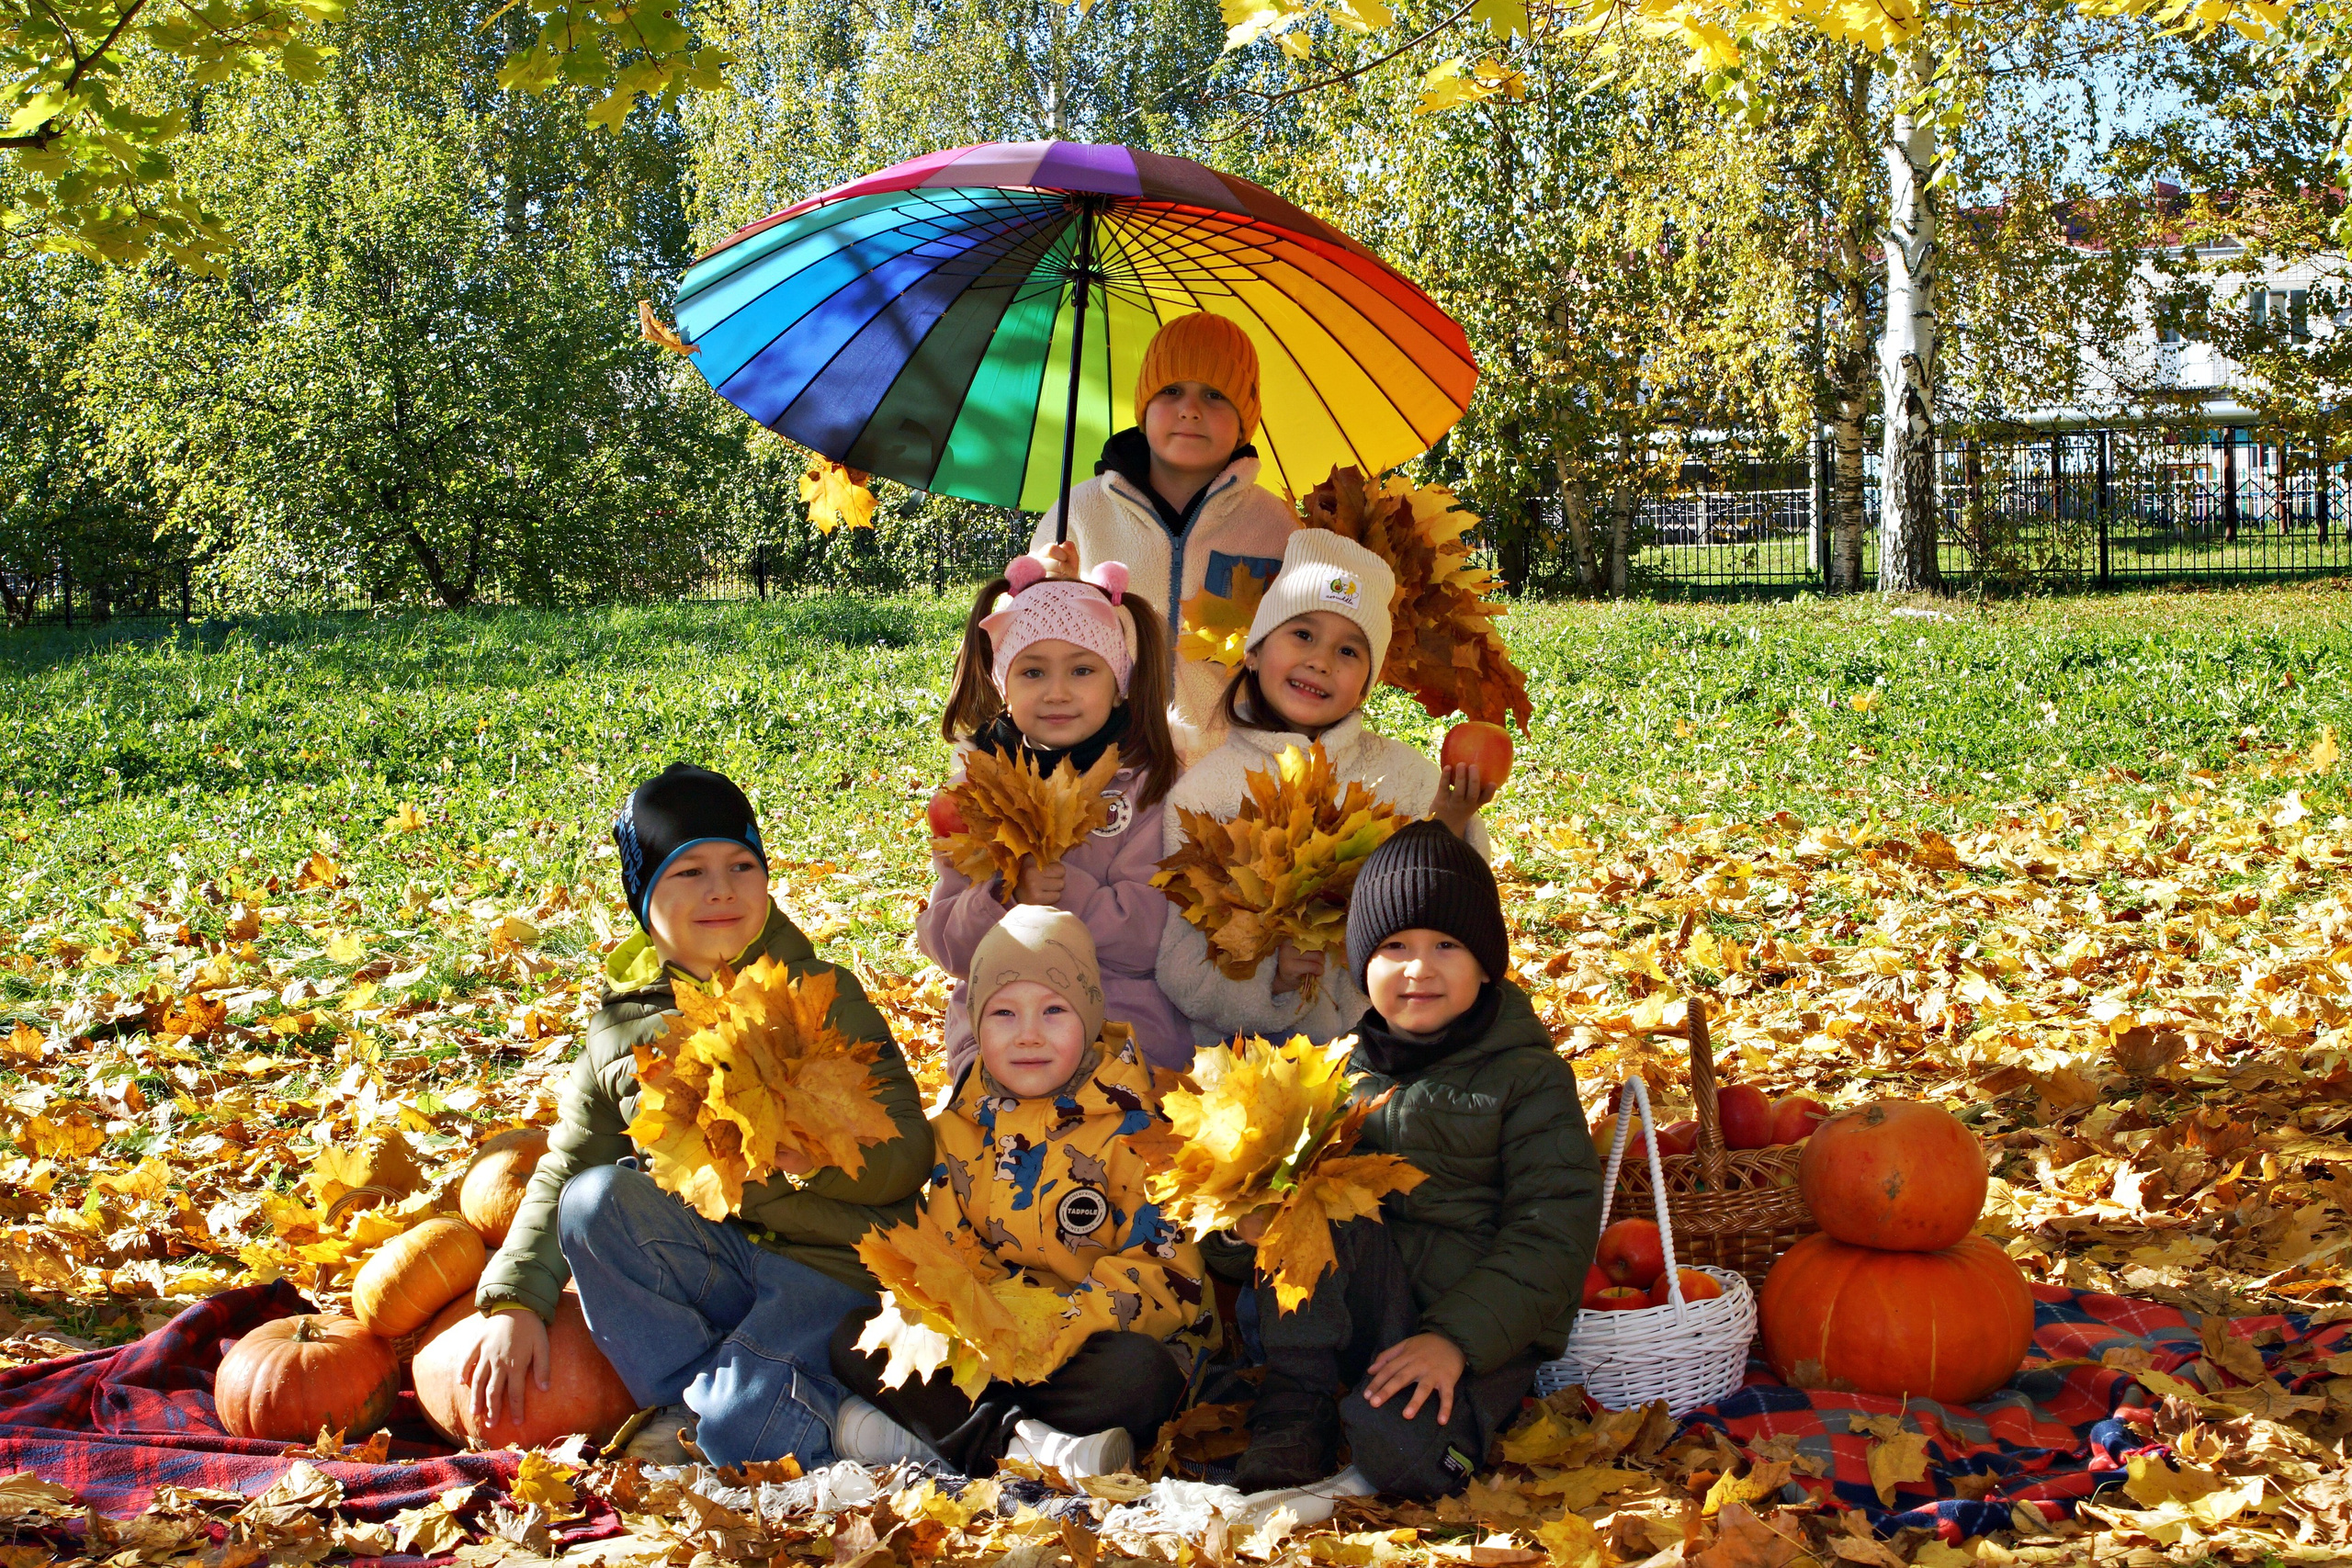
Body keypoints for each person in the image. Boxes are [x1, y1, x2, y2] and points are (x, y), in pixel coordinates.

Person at [461, 764, 934, 1467]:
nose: (721, 888)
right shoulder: (622, 1031)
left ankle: (794, 1419)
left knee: (745, 1436)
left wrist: (822, 1157)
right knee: (594, 1201)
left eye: (741, 864)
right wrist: (516, 1301)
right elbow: (567, 1165)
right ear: (642, 897)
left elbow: (911, 1149)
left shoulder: (821, 995)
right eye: (688, 871)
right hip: (717, 1259)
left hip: (834, 1265)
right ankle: (708, 1398)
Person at [1209, 820, 1602, 1496]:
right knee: (1315, 1199)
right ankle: (1295, 1406)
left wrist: (1455, 1338)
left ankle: (1406, 1429)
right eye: (1394, 946)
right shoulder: (1334, 1074)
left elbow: (1553, 1231)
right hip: (1367, 1308)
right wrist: (1239, 1232)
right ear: (1363, 965)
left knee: (1407, 1453)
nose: (1419, 967)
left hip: (1479, 1325)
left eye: (1446, 945)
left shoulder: (1528, 1077)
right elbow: (1254, 1216)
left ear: (1486, 962)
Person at [831, 908, 1216, 1477]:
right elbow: (944, 1254)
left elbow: (1168, 1272)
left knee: (1140, 1378)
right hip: (995, 1341)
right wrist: (988, 1322)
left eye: (1054, 1011)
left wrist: (1066, 1322)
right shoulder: (956, 1130)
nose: (1029, 1034)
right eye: (1004, 1013)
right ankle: (1030, 1449)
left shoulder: (1140, 1129)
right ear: (976, 1027)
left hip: (1095, 1343)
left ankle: (938, 1433)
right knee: (857, 1338)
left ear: (1089, 1017)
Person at [1154, 528, 1498, 1046]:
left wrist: (1448, 828)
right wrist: (1275, 977)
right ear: (1253, 651)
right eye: (1303, 635)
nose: (1321, 661)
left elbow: (1460, 923)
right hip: (1249, 1061)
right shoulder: (1205, 796)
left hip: (1388, 1051)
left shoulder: (1406, 779)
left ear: (1368, 682)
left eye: (1349, 650)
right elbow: (1179, 966)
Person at [923, 554, 1193, 1074]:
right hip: (1001, 1039)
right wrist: (1005, 897)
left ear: (1119, 686)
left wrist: (1068, 893)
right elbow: (949, 947)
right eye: (1033, 671)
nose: (1057, 691)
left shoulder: (1147, 788)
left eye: (1083, 669)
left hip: (1119, 1033)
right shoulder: (975, 797)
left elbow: (1150, 939)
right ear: (1005, 687)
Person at [1030, 312, 1296, 760]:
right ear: (1144, 407)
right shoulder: (1079, 514)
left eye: (1215, 395)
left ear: (1245, 417)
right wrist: (1044, 591)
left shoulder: (1277, 527)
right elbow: (1021, 643)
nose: (1190, 409)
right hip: (1103, 774)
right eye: (1171, 391)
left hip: (1236, 780)